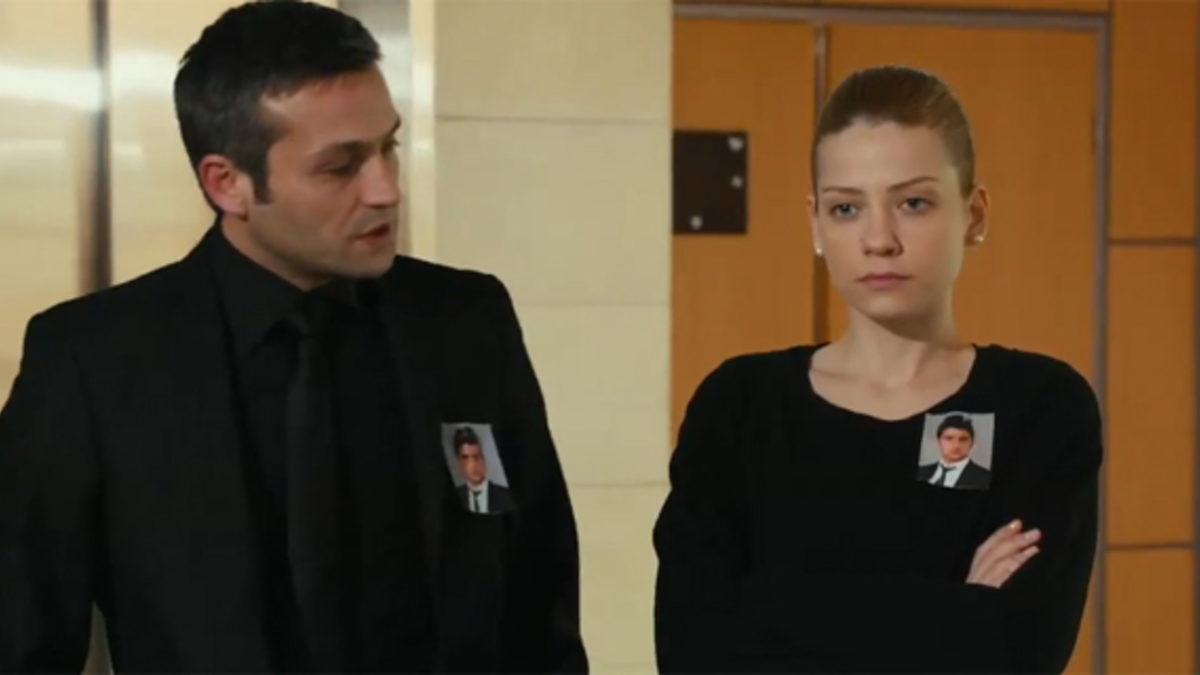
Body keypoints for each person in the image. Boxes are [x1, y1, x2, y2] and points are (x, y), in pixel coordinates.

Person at [0, 2, 585, 672]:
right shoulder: (96, 360)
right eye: (340, 167)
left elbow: (539, 596)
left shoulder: (464, 321)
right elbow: (22, 633)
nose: (385, 190)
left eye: (388, 148)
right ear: (228, 184)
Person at [654, 65, 1101, 673]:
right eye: (846, 208)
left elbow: (1019, 651)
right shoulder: (739, 406)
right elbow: (693, 648)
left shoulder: (1040, 407)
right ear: (815, 223)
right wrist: (957, 607)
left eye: (913, 203)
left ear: (974, 214)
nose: (879, 239)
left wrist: (774, 605)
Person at [916, 414, 992, 489]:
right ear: (938, 442)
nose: (956, 445)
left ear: (972, 444)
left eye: (963, 439)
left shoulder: (985, 478)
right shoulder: (921, 471)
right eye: (949, 438)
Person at [453, 426, 516, 514]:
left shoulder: (506, 497)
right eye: (466, 458)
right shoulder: (454, 498)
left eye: (476, 457)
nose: (473, 464)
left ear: (484, 458)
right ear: (459, 463)